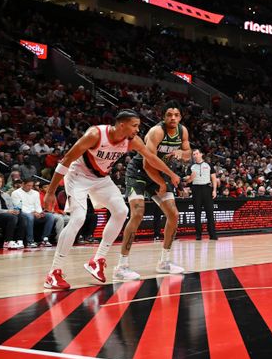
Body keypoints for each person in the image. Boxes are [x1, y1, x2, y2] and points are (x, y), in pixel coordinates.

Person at [42, 110, 180, 290]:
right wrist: (51, 191)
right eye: (135, 125)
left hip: (101, 178)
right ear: (121, 125)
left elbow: (151, 158)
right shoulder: (95, 135)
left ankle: (98, 259)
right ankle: (53, 272)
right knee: (78, 218)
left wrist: (171, 173)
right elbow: (66, 159)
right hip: (78, 176)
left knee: (122, 212)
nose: (138, 130)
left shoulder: (132, 141)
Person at [118, 102, 192, 281]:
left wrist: (182, 154)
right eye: (169, 114)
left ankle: (164, 262)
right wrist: (162, 182)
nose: (172, 118)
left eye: (176, 114)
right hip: (139, 172)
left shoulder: (183, 131)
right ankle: (122, 265)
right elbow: (147, 162)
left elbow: (188, 151)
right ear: (163, 117)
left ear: (180, 117)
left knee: (174, 215)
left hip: (160, 171)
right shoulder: (156, 132)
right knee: (137, 213)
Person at [11, 178, 55, 248]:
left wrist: (40, 212)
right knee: (29, 216)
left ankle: (45, 239)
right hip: (23, 214)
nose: (30, 187)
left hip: (35, 213)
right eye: (28, 185)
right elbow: (19, 207)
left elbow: (37, 205)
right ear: (23, 184)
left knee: (50, 216)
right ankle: (30, 241)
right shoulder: (15, 193)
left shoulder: (35, 193)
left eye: (31, 186)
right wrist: (32, 212)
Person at [186, 149, 217, 240]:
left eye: (196, 153)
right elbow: (188, 181)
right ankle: (198, 235)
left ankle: (212, 234)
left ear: (201, 154)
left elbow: (214, 179)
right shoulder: (191, 166)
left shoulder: (209, 165)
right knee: (197, 213)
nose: (195, 155)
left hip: (207, 189)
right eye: (193, 154)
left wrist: (214, 190)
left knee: (210, 213)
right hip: (196, 189)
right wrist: (191, 177)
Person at [0, 174, 24, 249]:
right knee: (12, 217)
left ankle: (19, 240)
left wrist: (14, 211)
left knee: (21, 216)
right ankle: (8, 241)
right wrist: (8, 211)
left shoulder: (5, 194)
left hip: (8, 213)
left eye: (0, 181)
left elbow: (11, 205)